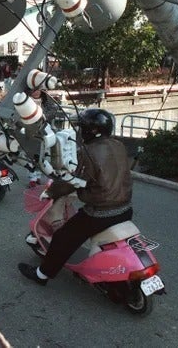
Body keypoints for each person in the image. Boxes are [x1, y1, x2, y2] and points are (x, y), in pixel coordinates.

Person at [18, 108, 133, 286]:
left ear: (90, 130)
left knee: (62, 238)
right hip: (126, 209)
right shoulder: (118, 145)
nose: (80, 131)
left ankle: (42, 275)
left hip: (100, 213)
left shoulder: (87, 152)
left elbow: (71, 181)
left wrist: (50, 192)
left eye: (82, 128)